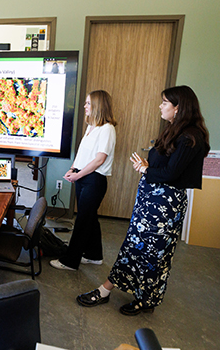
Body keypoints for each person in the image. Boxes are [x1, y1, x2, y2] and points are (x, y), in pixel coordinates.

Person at [76, 85, 210, 316]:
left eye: (165, 102)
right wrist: (146, 168)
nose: (160, 105)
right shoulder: (174, 130)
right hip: (150, 202)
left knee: (155, 254)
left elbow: (170, 174)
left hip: (164, 206)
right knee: (133, 247)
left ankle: (144, 299)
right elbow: (161, 165)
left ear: (178, 108)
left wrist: (146, 169)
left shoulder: (190, 137)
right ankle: (110, 289)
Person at [50, 90, 117, 271]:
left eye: (88, 103)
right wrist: (73, 169)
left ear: (98, 106)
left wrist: (78, 175)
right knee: (90, 218)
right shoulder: (91, 127)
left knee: (82, 222)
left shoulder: (107, 129)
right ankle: (94, 255)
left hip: (94, 180)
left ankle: (70, 261)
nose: (85, 106)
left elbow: (99, 160)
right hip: (83, 176)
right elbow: (83, 154)